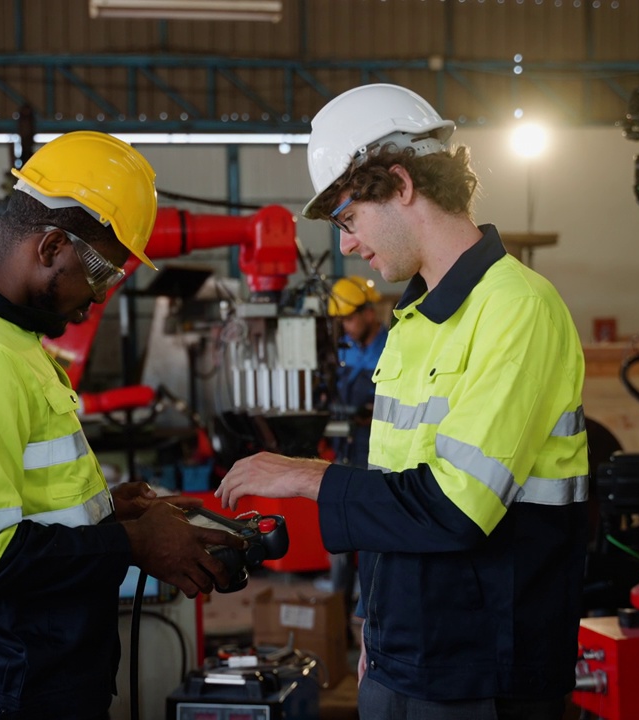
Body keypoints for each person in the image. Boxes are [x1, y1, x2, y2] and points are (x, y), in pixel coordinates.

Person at [217, 84, 588, 720]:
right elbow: (397, 493)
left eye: (347, 219)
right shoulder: (414, 319)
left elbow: (456, 509)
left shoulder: (517, 308)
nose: (346, 246)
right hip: (405, 656)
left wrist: (307, 476)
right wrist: (376, 626)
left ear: (400, 184)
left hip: (482, 672)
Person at [0, 130, 243, 720]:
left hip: (30, 676)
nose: (98, 297)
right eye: (99, 274)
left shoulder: (11, 340)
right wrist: (131, 542)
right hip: (3, 691)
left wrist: (108, 512)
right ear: (51, 246)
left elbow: (17, 505)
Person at [325, 275, 388, 620]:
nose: (346, 327)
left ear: (367, 313)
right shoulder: (344, 349)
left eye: (349, 318)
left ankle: (370, 615)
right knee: (338, 537)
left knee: (369, 537)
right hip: (344, 450)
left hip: (374, 454)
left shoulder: (391, 348)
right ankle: (335, 618)